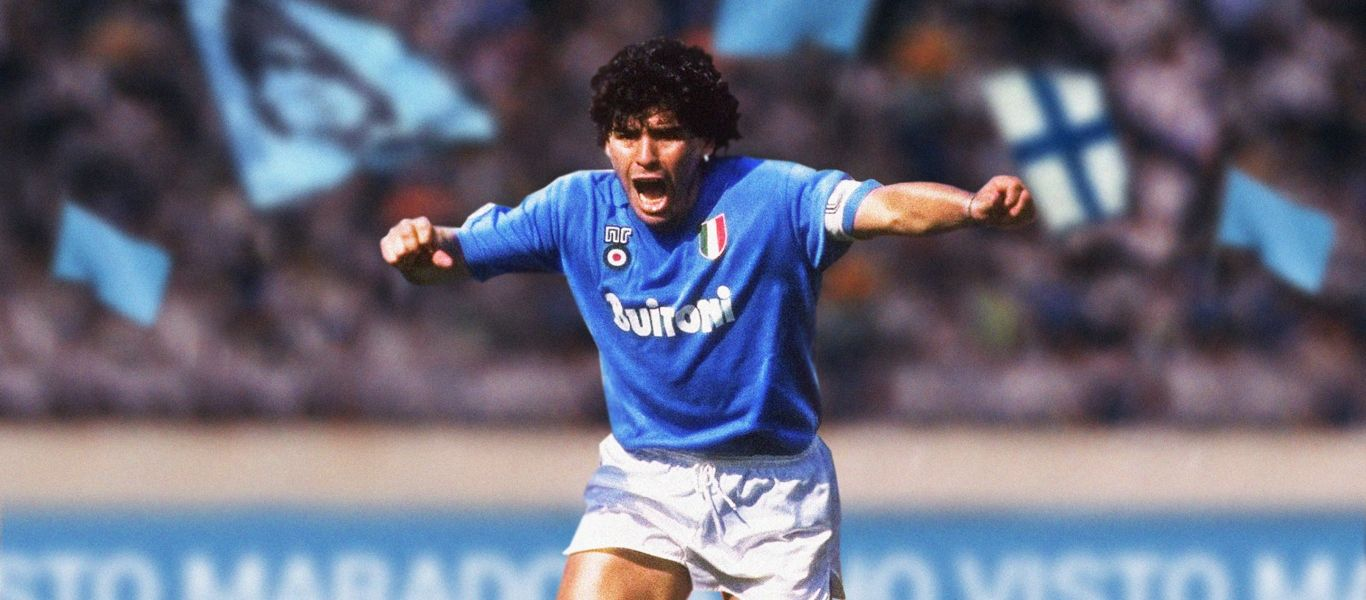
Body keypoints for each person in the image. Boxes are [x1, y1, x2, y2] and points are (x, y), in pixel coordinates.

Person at [380, 38, 1033, 600]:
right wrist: (415, 248)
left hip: (774, 490)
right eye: (626, 135)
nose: (644, 155)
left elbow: (884, 207)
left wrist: (971, 207)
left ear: (706, 143)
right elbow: (453, 253)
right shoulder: (575, 208)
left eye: (666, 134)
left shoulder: (773, 197)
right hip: (645, 476)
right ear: (606, 143)